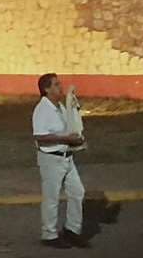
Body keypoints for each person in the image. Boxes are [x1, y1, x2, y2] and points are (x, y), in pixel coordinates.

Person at [33, 73, 88, 249]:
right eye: (56, 84)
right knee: (52, 198)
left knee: (77, 192)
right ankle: (49, 234)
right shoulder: (42, 109)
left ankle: (72, 229)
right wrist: (66, 139)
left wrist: (76, 139)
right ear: (46, 89)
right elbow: (40, 137)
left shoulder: (61, 107)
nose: (60, 87)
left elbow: (70, 127)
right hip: (51, 158)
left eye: (60, 83)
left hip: (66, 157)